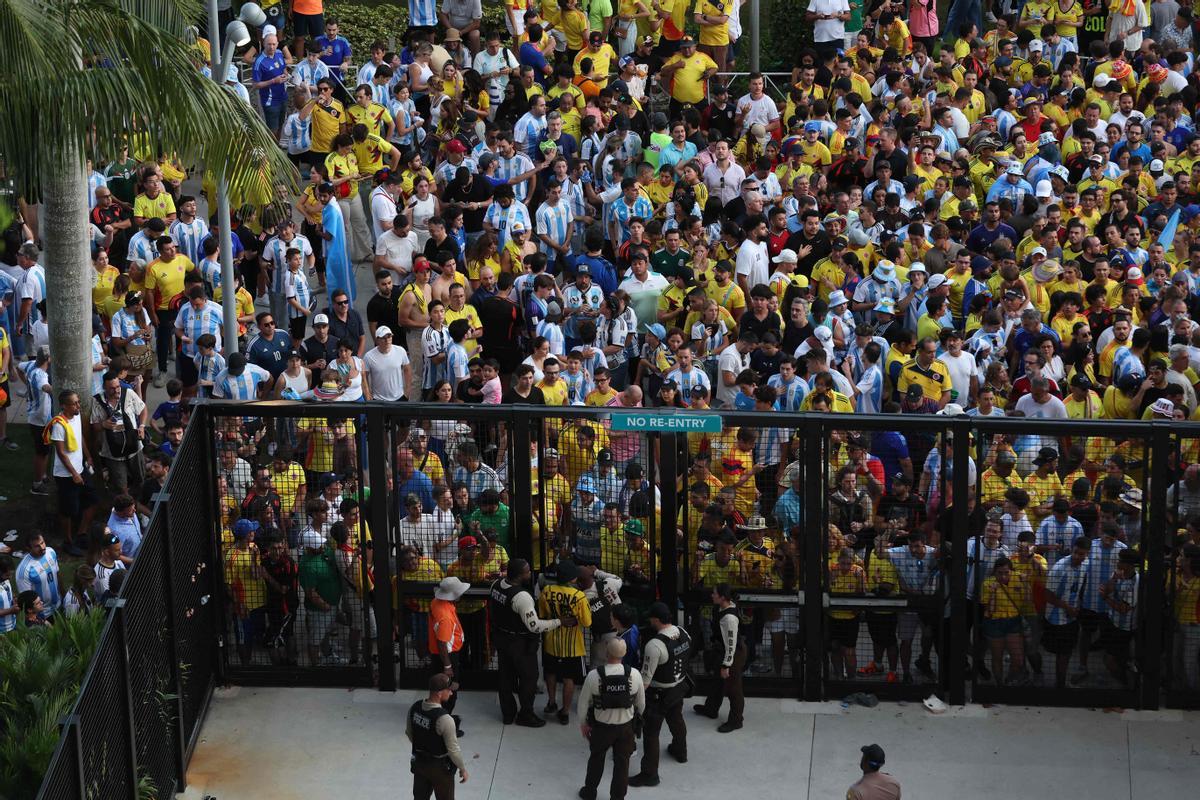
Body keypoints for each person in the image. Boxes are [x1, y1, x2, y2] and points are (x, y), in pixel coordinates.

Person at [488, 557, 567, 726]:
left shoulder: (496, 585)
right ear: (520, 575)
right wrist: (559, 621)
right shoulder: (522, 597)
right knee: (529, 678)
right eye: (527, 571)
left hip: (501, 639)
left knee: (506, 677)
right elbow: (534, 626)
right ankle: (526, 714)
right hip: (519, 643)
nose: (530, 573)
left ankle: (508, 714)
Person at [629, 601, 691, 787]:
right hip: (679, 687)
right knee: (676, 719)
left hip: (658, 693)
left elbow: (645, 681)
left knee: (651, 733)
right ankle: (680, 751)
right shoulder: (684, 632)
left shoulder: (654, 645)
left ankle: (649, 773)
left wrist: (634, 699)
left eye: (651, 618)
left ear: (656, 620)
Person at [577, 637, 646, 800]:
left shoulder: (594, 676)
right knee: (622, 764)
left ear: (607, 653)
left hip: (601, 728)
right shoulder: (635, 675)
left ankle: (590, 792)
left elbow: (582, 704)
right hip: (625, 728)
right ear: (625, 653)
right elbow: (641, 704)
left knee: (596, 759)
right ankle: (617, 797)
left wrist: (583, 724)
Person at [537, 558, 592, 725]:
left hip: (551, 642)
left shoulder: (546, 590)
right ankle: (565, 712)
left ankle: (551, 702)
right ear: (572, 579)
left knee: (551, 673)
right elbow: (587, 622)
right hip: (573, 647)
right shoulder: (579, 596)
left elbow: (543, 614)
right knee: (569, 678)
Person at [406, 673, 470, 800]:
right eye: (449, 690)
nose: (451, 693)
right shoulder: (444, 719)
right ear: (440, 693)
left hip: (420, 763)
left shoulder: (415, 708)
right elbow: (453, 750)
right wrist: (463, 769)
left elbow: (409, 733)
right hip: (439, 768)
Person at [693, 581, 745, 732]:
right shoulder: (724, 606)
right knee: (717, 682)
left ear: (722, 597)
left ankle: (736, 720)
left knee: (733, 688)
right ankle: (711, 709)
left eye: (714, 593)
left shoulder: (729, 619)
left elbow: (731, 645)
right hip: (723, 650)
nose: (712, 595)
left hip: (733, 653)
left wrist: (726, 665)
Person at [429, 575, 470, 723]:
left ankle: (440, 717)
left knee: (440, 688)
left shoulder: (436, 602)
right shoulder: (445, 617)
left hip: (439, 654)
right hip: (448, 656)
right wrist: (448, 666)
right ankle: (444, 721)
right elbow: (442, 643)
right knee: (450, 690)